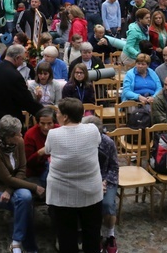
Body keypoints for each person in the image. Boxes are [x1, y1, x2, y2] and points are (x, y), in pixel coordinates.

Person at [43, 98, 103, 253]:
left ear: (65, 117)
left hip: (63, 193)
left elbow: (47, 150)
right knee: (92, 232)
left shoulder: (53, 134)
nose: (56, 115)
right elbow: (97, 143)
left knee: (66, 235)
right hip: (90, 191)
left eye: (58, 112)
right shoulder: (92, 129)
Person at [0, 115, 43, 253]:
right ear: (9, 136)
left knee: (25, 199)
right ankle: (30, 248)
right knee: (24, 203)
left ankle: (16, 242)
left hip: (14, 183)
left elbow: (22, 168)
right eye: (18, 133)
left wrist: (9, 190)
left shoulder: (18, 142)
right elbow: (7, 179)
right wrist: (35, 187)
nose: (21, 135)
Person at [81, 115, 119, 253]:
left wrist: (104, 182)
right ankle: (93, 235)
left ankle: (110, 234)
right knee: (87, 205)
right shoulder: (79, 142)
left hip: (106, 179)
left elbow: (114, 167)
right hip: (86, 179)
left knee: (108, 204)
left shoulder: (108, 142)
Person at [23, 107, 58, 185]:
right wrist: (39, 153)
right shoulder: (30, 134)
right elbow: (27, 163)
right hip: (36, 173)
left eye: (49, 123)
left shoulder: (58, 130)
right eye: (42, 123)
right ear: (38, 123)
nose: (46, 127)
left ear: (54, 122)